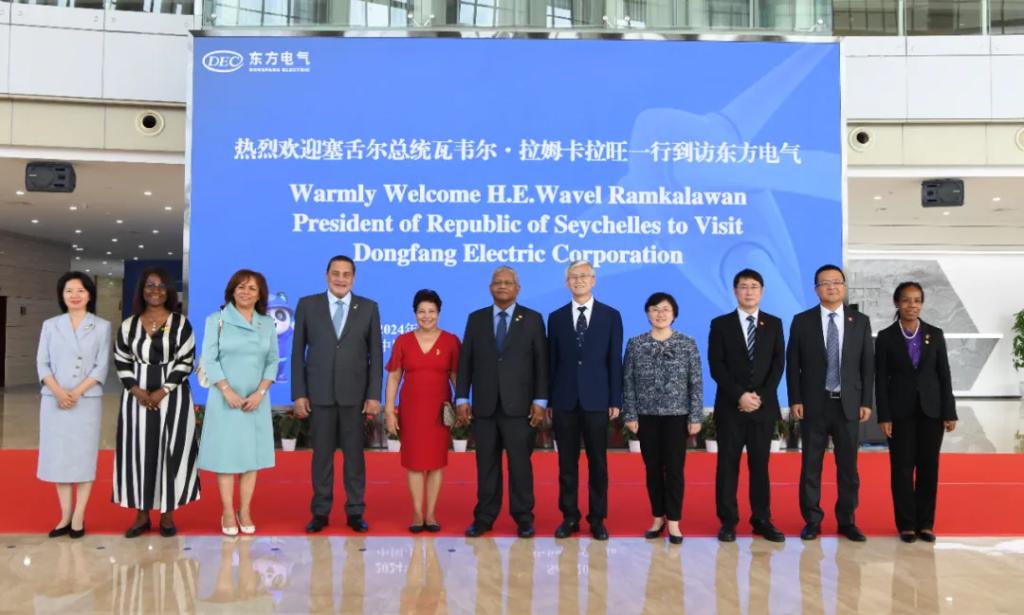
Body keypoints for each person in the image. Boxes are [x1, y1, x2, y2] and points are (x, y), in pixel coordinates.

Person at [291, 255, 382, 533]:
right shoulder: (308, 305)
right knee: (321, 457)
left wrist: (373, 395)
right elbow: (297, 353)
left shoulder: (368, 307)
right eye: (335, 273)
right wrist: (299, 393)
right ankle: (320, 512)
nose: (340, 279)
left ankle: (355, 511)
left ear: (354, 278)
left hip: (355, 397)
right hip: (319, 395)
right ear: (326, 275)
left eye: (346, 274)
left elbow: (376, 355)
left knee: (354, 458)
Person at [456, 266, 548, 539]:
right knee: (486, 465)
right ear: (490, 288)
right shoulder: (476, 319)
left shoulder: (532, 319)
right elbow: (466, 361)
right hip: (485, 407)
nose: (503, 286)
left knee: (520, 466)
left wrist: (540, 400)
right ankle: (484, 517)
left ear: (518, 288)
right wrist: (462, 397)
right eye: (498, 282)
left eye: (508, 282)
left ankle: (524, 518)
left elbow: (542, 363)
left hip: (520, 407)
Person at [787, 264, 873, 542]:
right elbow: (793, 364)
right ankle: (812, 520)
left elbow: (867, 365)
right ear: (816, 289)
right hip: (815, 404)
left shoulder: (860, 321)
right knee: (811, 466)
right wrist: (795, 398)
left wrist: (866, 401)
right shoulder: (802, 321)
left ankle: (847, 520)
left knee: (848, 467)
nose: (831, 287)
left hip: (848, 404)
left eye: (836, 282)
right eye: (825, 283)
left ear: (844, 287)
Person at [114, 267, 200, 537]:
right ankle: (141, 515)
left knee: (170, 452)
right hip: (135, 400)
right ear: (142, 289)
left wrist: (163, 390)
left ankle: (167, 515)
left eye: (162, 286)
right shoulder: (128, 325)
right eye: (150, 285)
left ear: (169, 291)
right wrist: (136, 390)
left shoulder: (181, 324)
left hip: (173, 398)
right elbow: (121, 360)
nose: (156, 291)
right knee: (137, 453)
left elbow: (186, 361)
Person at [197, 269, 279, 536]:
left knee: (250, 459)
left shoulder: (266, 323)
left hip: (255, 401)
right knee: (226, 458)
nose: (246, 292)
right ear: (232, 290)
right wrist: (226, 390)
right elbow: (210, 359)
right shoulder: (217, 320)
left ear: (260, 295)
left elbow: (272, 361)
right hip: (225, 400)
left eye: (252, 288)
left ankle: (245, 510)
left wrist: (260, 393)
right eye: (241, 287)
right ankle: (227, 512)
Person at [707, 269, 786, 543]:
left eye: (754, 286)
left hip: (762, 409)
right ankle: (728, 521)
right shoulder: (721, 324)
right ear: (735, 291)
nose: (749, 291)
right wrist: (740, 395)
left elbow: (778, 364)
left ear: (761, 291)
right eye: (743, 286)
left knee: (760, 466)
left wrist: (758, 397)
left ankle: (762, 520)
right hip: (731, 408)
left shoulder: (774, 324)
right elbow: (717, 366)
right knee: (727, 466)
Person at [875, 282, 958, 543]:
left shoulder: (935, 333)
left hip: (931, 411)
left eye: (917, 300)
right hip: (900, 412)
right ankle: (907, 525)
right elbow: (880, 380)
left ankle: (926, 524)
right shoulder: (886, 337)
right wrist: (884, 416)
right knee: (901, 468)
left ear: (922, 303)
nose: (912, 305)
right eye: (906, 300)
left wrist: (949, 411)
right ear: (897, 303)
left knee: (928, 468)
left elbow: (944, 375)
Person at [546, 260, 623, 541]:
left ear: (593, 280)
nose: (578, 280)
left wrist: (615, 398)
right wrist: (549, 399)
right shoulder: (555, 318)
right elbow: (551, 362)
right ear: (566, 282)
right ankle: (569, 517)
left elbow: (614, 359)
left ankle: (597, 518)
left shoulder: (610, 315)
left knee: (598, 463)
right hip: (564, 400)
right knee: (566, 464)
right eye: (573, 276)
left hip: (597, 399)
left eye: (584, 276)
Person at [623, 292, 704, 544]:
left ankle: (675, 522)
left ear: (674, 314)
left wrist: (695, 416)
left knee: (675, 469)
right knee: (653, 469)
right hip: (646, 416)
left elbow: (695, 382)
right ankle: (658, 517)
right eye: (655, 309)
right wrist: (630, 413)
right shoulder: (636, 344)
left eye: (666, 309)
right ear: (648, 313)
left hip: (677, 416)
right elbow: (628, 381)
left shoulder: (687, 343)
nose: (660, 314)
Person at [36, 271, 112, 539]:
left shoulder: (101, 326)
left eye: (80, 290)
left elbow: (101, 366)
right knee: (60, 458)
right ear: (62, 295)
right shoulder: (50, 325)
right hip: (54, 400)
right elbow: (42, 363)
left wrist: (76, 392)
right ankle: (64, 515)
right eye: (69, 291)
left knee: (83, 458)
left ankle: (79, 516)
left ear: (90, 295)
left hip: (86, 401)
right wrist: (58, 392)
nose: (75, 295)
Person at [383, 289, 460, 533]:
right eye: (421, 311)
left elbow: (456, 378)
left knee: (436, 463)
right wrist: (389, 410)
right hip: (412, 410)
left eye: (431, 311)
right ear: (415, 313)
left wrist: (462, 406)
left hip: (439, 411)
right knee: (415, 463)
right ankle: (417, 513)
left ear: (439, 313)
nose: (426, 316)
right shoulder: (403, 341)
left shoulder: (451, 341)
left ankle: (431, 514)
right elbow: (394, 377)